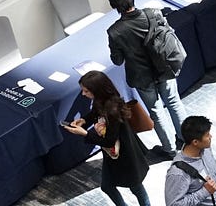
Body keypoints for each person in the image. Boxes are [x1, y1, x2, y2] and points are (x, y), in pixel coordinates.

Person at [104, 0, 185, 158]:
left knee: (157, 112)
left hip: (142, 77)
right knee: (174, 103)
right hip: (165, 67)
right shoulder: (153, 13)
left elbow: (117, 61)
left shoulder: (114, 32)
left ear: (113, 5)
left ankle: (170, 149)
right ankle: (187, 139)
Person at [60, 72, 151, 206]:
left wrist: (85, 133)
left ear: (97, 90)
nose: (83, 94)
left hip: (126, 155)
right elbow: (95, 113)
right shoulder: (102, 101)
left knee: (136, 188)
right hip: (114, 156)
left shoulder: (113, 109)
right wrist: (84, 120)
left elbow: (109, 140)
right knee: (107, 186)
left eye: (86, 91)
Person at [166, 116, 216, 206]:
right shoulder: (178, 173)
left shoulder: (205, 149)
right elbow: (174, 204)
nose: (211, 136)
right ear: (195, 142)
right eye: (207, 135)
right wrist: (204, 192)